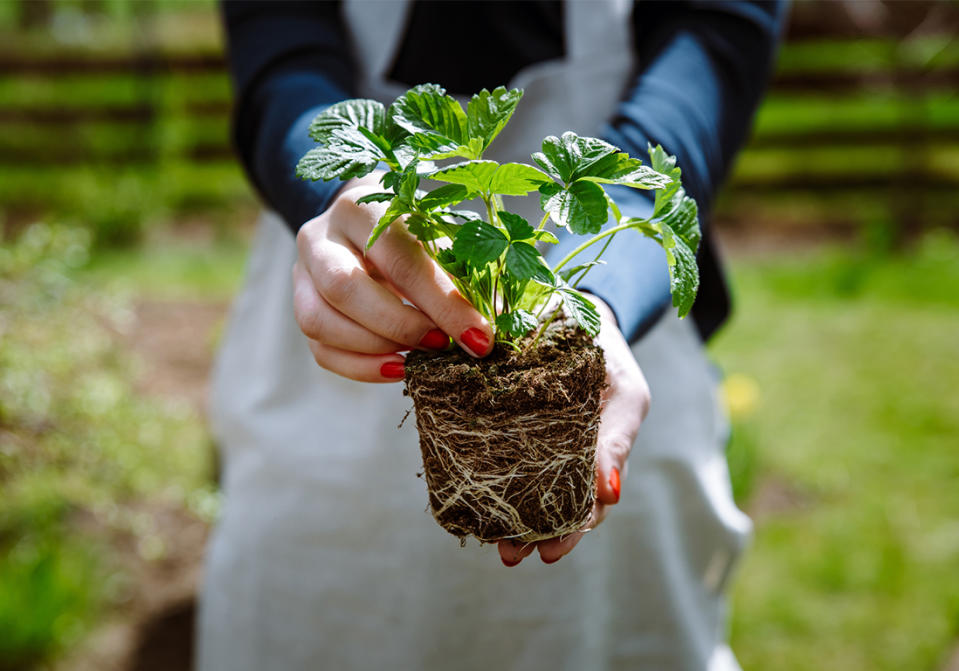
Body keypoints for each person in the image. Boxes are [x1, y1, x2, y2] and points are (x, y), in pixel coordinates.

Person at [201, 1, 787, 669]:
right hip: (346, 306)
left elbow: (709, 54)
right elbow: (281, 57)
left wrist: (597, 301)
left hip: (623, 315)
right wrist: (346, 191)